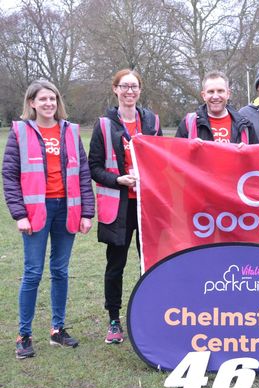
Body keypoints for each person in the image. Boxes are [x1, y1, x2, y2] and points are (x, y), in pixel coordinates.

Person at [2, 79, 95, 359]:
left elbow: (83, 174)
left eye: (52, 99)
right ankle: (24, 335)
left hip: (67, 209)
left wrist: (87, 212)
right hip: (35, 212)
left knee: (60, 271)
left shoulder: (70, 131)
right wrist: (19, 214)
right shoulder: (19, 132)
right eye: (42, 99)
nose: (48, 104)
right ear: (32, 103)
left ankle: (57, 330)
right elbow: (9, 175)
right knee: (32, 273)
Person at [88, 69, 162, 344]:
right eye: (124, 86)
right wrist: (118, 179)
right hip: (118, 206)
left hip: (148, 205)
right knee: (115, 265)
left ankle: (151, 313)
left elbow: (164, 159)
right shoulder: (104, 125)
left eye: (134, 86)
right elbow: (93, 167)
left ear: (140, 90)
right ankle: (114, 320)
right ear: (115, 90)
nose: (129, 91)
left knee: (150, 262)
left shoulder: (152, 121)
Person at [176, 71, 258, 144]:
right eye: (211, 91)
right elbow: (175, 157)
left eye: (220, 91)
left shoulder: (245, 126)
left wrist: (246, 155)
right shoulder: (189, 124)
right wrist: (190, 150)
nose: (215, 96)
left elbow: (256, 157)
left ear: (228, 94)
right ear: (204, 95)